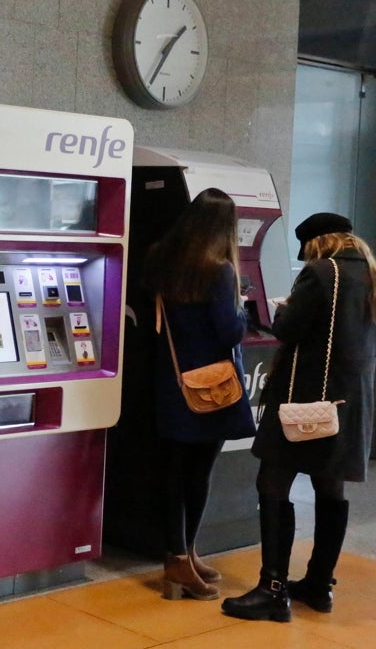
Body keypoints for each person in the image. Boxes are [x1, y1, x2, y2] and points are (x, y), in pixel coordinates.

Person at [222, 212, 376, 622]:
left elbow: (288, 327)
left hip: (306, 399)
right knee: (331, 488)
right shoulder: (369, 273)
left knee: (272, 482)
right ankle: (319, 585)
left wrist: (281, 308)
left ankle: (272, 589)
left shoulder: (322, 273)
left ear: (317, 243)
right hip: (350, 401)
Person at [143, 187, 257, 601]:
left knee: (173, 470)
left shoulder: (160, 258)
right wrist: (241, 304)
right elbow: (230, 331)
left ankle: (182, 555)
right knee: (198, 472)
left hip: (171, 380)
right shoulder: (220, 270)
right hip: (211, 388)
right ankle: (182, 555)